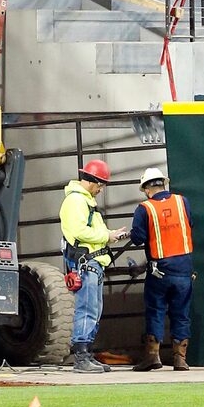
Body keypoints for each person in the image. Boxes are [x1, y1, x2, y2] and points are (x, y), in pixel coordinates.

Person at [60, 156, 131, 372]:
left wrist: (109, 234)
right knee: (87, 309)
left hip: (91, 264)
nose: (101, 189)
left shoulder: (84, 201)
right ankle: (81, 358)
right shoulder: (76, 201)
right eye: (101, 184)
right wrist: (106, 236)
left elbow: (89, 232)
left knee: (93, 309)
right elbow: (79, 231)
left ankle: (86, 354)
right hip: (86, 264)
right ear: (92, 181)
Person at [128, 166, 195, 372]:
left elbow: (138, 238)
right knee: (181, 313)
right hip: (184, 270)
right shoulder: (182, 201)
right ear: (163, 183)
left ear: (147, 189)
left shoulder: (144, 208)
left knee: (156, 311)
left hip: (159, 272)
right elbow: (188, 224)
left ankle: (152, 357)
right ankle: (180, 359)